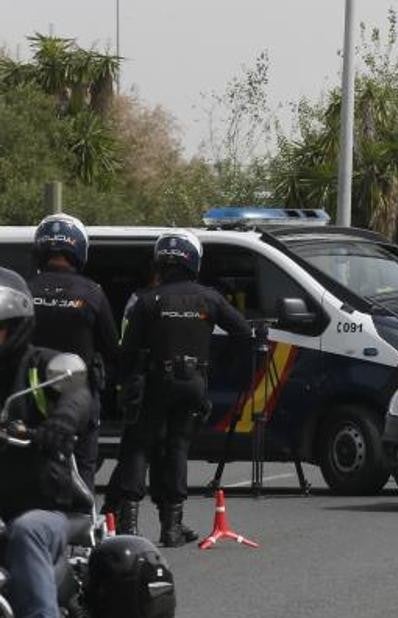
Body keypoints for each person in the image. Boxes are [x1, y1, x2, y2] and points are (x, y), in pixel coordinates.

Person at [110, 230, 250, 547]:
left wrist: (125, 383)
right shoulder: (209, 298)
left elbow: (128, 351)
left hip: (155, 381)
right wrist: (217, 364)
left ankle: (129, 525)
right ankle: (171, 528)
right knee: (177, 449)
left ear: (161, 261)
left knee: (138, 447)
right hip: (193, 384)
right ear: (194, 262)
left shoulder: (148, 301)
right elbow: (243, 333)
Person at [0, 268, 93, 618]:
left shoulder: (44, 366)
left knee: (28, 531)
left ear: (17, 326)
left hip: (49, 509)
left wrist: (62, 421)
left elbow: (77, 394)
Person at [28, 213, 119, 484]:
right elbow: (112, 348)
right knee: (83, 467)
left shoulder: (24, 289)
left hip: (29, 393)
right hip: (78, 395)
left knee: (27, 464)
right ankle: (82, 521)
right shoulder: (92, 292)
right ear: (78, 249)